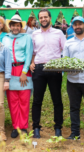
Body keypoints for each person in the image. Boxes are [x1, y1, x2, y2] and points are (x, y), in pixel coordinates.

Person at [30, 9, 66, 138]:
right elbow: (32, 52)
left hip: (54, 68)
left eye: (45, 17)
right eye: (41, 17)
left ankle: (58, 128)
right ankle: (36, 127)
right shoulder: (34, 34)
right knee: (37, 100)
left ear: (50, 18)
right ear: (38, 19)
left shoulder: (58, 33)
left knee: (57, 100)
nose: (43, 19)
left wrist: (61, 65)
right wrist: (31, 62)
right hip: (38, 69)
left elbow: (65, 50)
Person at [2, 15, 33, 138]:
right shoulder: (5, 38)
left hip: (22, 69)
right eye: (13, 25)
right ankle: (16, 126)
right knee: (12, 100)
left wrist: (24, 72)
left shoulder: (27, 38)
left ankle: (24, 126)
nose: (15, 27)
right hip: (9, 70)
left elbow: (29, 54)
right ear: (10, 26)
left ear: (21, 26)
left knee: (24, 100)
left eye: (18, 25)